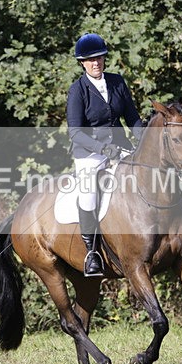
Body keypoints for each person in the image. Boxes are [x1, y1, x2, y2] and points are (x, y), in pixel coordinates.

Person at [66, 33, 145, 276]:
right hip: (90, 153)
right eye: (90, 60)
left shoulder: (117, 82)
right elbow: (75, 133)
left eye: (99, 58)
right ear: (82, 63)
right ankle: (92, 253)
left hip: (121, 148)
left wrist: (146, 140)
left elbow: (132, 118)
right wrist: (101, 149)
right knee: (89, 194)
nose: (95, 63)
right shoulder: (78, 90)